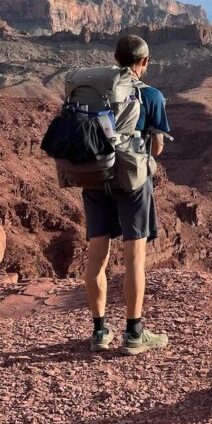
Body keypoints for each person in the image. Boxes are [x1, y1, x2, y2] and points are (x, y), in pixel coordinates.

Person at [84, 35, 170, 355]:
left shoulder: (95, 90)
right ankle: (134, 334)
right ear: (144, 62)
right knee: (133, 258)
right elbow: (158, 147)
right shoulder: (153, 96)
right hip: (133, 181)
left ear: (115, 58)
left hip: (94, 177)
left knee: (97, 257)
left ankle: (99, 332)